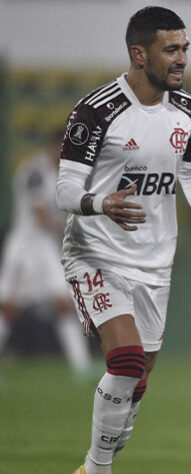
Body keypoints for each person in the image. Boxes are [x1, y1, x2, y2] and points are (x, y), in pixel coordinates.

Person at [55, 7, 191, 474]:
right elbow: (65, 191)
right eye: (170, 50)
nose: (181, 59)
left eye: (185, 49)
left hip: (155, 260)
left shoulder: (188, 110)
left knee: (140, 374)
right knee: (128, 359)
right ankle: (97, 468)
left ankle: (101, 458)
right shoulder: (95, 112)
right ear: (139, 54)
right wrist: (101, 204)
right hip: (95, 252)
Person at [0, 131, 92, 378]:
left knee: (64, 302)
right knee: (9, 307)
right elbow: (39, 212)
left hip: (46, 248)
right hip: (24, 246)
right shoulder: (34, 170)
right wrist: (66, 233)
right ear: (52, 147)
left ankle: (81, 367)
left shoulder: (63, 175)